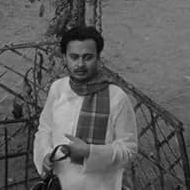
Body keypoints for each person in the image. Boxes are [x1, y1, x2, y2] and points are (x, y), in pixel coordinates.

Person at [33, 26, 138, 190]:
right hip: (59, 183)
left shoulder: (116, 97)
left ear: (98, 58)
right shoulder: (58, 89)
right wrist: (45, 155)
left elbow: (129, 151)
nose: (80, 64)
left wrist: (89, 151)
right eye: (74, 57)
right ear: (65, 58)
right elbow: (45, 129)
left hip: (101, 185)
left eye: (87, 57)